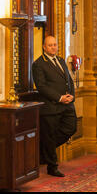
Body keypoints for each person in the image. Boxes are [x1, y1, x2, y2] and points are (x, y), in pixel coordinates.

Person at [32, 35, 77, 177]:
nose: (53, 47)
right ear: (44, 47)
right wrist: (59, 98)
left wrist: (71, 95)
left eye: (55, 45)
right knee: (50, 136)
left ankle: (44, 149)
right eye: (50, 45)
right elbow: (42, 86)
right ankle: (52, 167)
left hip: (67, 104)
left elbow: (69, 80)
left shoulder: (61, 60)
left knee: (71, 127)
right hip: (51, 106)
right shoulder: (38, 64)